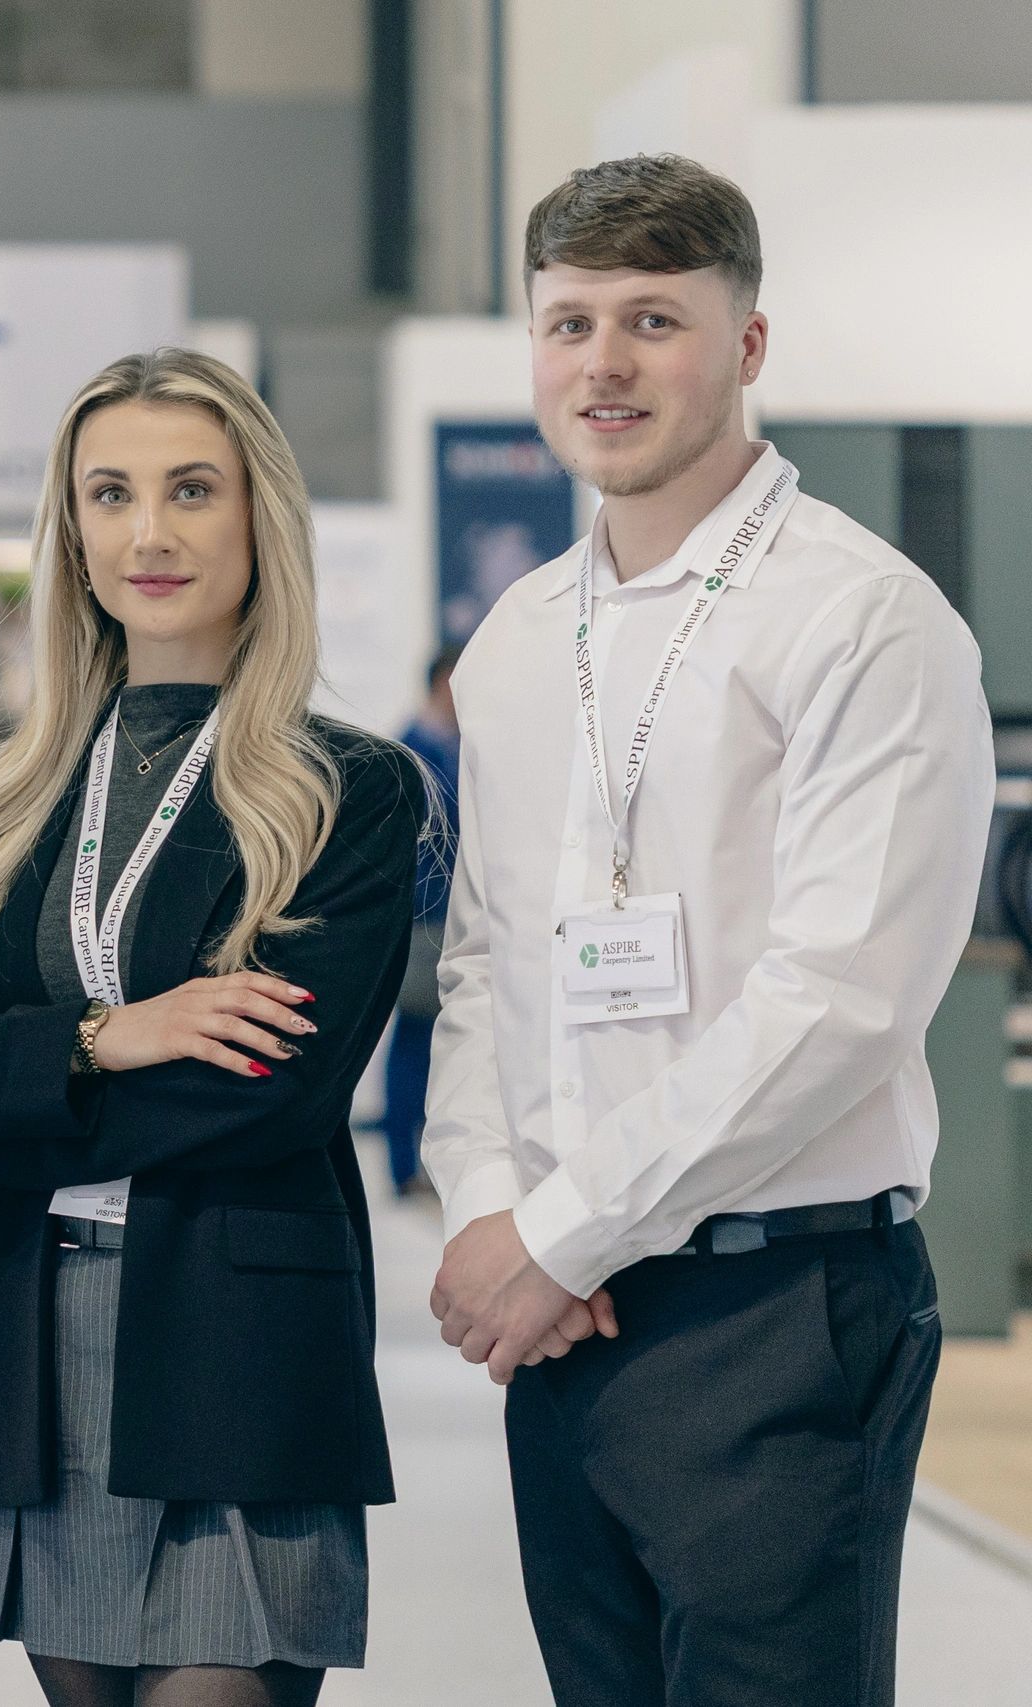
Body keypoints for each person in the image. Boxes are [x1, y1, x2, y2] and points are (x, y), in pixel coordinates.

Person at [423, 154, 993, 1707]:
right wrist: (488, 1203)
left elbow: (843, 1000)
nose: (603, 362)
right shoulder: (526, 635)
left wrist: (558, 1231)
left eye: (653, 319)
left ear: (747, 345)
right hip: (571, 1321)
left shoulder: (863, 618)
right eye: (569, 321)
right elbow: (484, 962)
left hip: (779, 1305)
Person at [0, 348, 427, 1707]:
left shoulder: (348, 791)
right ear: (74, 527)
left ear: (257, 515)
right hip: (46, 1331)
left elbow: (270, 1093)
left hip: (236, 1352)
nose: (149, 531)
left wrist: (2, 1066)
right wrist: (113, 1036)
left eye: (191, 489)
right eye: (111, 492)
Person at [378, 644, 462, 1196]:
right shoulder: (409, 752)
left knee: (445, 1040)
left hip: (455, 916)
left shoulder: (457, 746)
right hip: (424, 918)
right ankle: (404, 1164)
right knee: (415, 1038)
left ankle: (423, 1163)